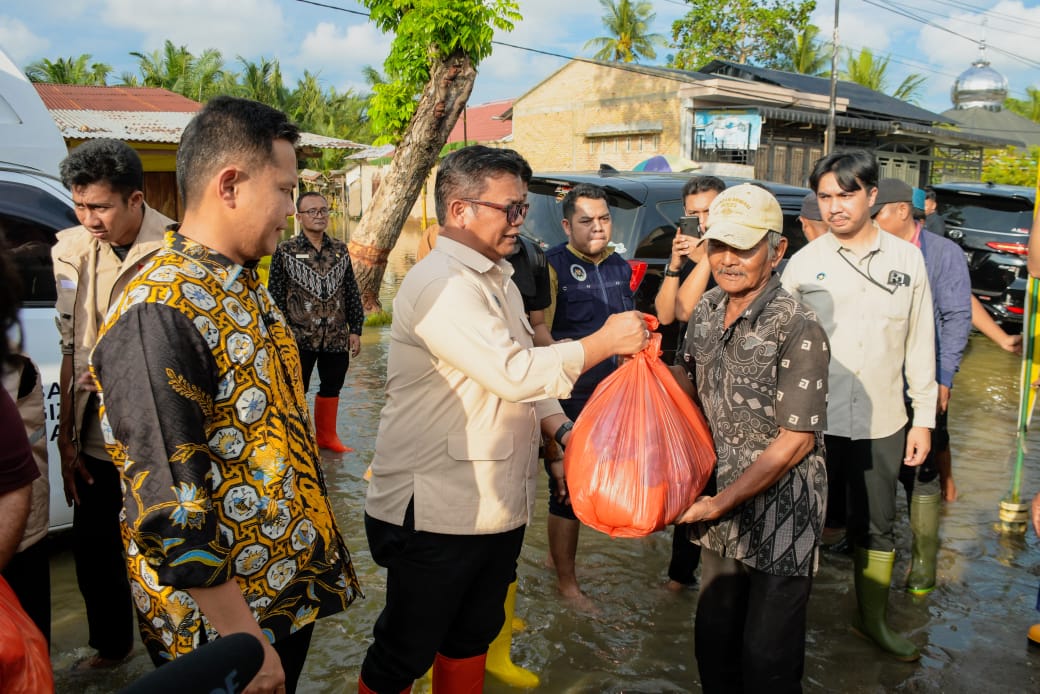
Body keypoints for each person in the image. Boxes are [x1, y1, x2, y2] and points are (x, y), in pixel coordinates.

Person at [90, 96, 361, 694]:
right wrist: (246, 640)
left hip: (283, 588)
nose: (292, 212)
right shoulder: (159, 309)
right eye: (286, 191)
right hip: (224, 628)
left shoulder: (241, 281)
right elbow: (166, 500)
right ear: (231, 185)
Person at [358, 145, 647, 694]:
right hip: (437, 508)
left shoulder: (499, 279)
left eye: (522, 209)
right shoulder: (441, 283)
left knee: (472, 634)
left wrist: (563, 433)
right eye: (509, 208)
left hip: (494, 503)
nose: (521, 220)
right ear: (461, 210)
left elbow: (528, 382)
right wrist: (603, 341)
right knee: (404, 649)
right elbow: (513, 370)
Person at [671, 183, 829, 691]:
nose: (727, 259)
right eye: (718, 245)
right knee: (714, 641)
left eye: (743, 246)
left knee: (767, 657)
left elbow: (797, 441)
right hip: (718, 501)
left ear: (777, 250)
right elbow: (684, 386)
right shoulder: (707, 309)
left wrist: (718, 504)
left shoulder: (799, 325)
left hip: (783, 512)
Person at [781, 150, 936, 661]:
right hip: (813, 422)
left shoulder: (907, 260)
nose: (835, 207)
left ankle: (872, 621)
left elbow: (919, 344)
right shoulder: (803, 266)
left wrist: (924, 420)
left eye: (846, 195)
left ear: (872, 195)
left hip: (883, 420)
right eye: (826, 197)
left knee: (877, 524)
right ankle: (785, 624)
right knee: (800, 520)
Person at [52, 137, 172, 671]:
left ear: (135, 199)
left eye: (99, 206)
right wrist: (66, 439)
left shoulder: (177, 250)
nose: (89, 218)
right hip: (97, 438)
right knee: (95, 551)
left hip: (158, 436)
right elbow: (69, 345)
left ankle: (180, 655)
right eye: (79, 205)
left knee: (167, 549)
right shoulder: (71, 250)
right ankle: (112, 647)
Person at [873, 178, 971, 595]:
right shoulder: (872, 249)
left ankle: (925, 560)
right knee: (876, 463)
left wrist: (943, 378)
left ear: (900, 211)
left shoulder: (942, 253)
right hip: (878, 377)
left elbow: (956, 319)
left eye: (876, 211)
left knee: (922, 469)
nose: (870, 218)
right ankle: (873, 546)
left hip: (923, 378)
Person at [544, 182, 635, 600]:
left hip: (614, 397)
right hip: (569, 401)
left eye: (603, 218)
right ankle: (567, 584)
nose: (597, 227)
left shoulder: (619, 265)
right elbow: (538, 340)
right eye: (586, 221)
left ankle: (555, 557)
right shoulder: (552, 267)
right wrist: (551, 439)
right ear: (567, 225)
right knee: (565, 492)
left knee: (597, 486)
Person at [268, 191, 364, 452]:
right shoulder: (285, 251)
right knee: (295, 390)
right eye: (312, 211)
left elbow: (351, 291)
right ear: (299, 217)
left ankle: (327, 437)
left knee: (332, 385)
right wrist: (278, 335)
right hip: (298, 337)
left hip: (335, 334)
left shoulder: (341, 250)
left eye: (323, 210)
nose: (319, 215)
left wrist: (355, 329)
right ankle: (295, 443)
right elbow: (274, 295)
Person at [654, 175, 726, 326]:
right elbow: (665, 317)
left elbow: (685, 312)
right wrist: (674, 267)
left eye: (709, 211)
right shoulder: (685, 249)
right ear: (685, 212)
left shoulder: (733, 249)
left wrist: (707, 255)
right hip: (689, 345)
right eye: (694, 213)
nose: (702, 221)